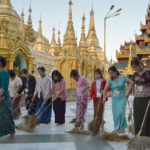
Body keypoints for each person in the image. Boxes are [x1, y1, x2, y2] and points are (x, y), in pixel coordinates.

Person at [126, 58, 150, 137]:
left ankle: (146, 135)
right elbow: (131, 84)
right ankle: (138, 135)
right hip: (137, 99)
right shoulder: (135, 74)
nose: (134, 69)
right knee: (137, 117)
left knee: (146, 117)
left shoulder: (148, 72)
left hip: (147, 99)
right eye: (133, 67)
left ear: (140, 64)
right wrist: (127, 93)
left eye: (135, 67)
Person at [103, 66, 130, 133]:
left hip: (122, 98)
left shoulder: (123, 77)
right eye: (110, 73)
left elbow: (130, 83)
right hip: (115, 99)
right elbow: (105, 89)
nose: (111, 75)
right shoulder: (110, 79)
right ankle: (118, 127)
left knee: (120, 112)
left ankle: (121, 127)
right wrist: (104, 97)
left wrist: (127, 91)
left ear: (116, 72)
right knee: (116, 114)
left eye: (112, 73)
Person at [0, 56, 15, 138]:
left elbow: (3, 87)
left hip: (3, 98)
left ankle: (12, 131)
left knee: (7, 115)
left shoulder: (4, 72)